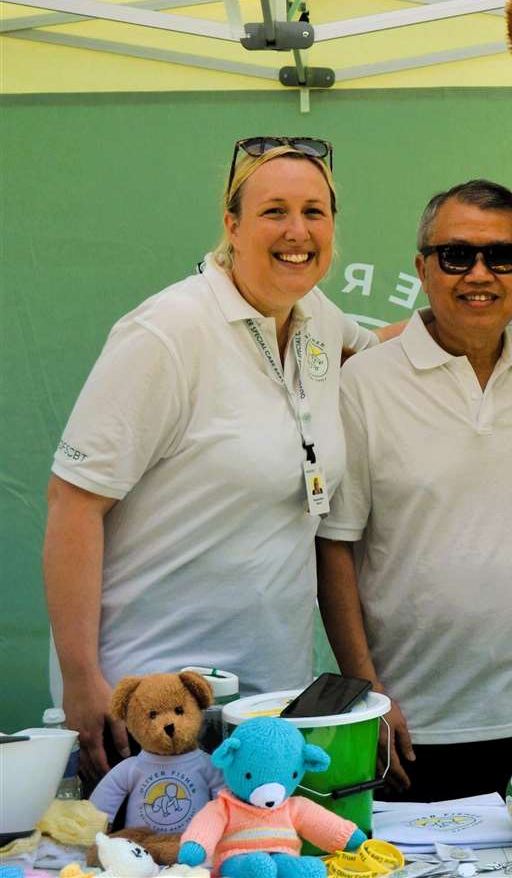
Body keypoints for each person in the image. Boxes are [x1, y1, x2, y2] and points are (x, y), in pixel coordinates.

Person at [44, 139, 378, 783]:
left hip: (265, 706)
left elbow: (391, 350)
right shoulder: (167, 332)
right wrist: (83, 681)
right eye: (274, 211)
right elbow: (73, 502)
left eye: (315, 211)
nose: (297, 231)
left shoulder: (318, 319)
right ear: (231, 225)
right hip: (149, 707)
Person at [315, 180, 512, 800]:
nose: (479, 274)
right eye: (456, 255)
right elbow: (334, 547)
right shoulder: (364, 384)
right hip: (408, 728)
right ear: (423, 268)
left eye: (501, 256)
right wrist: (367, 692)